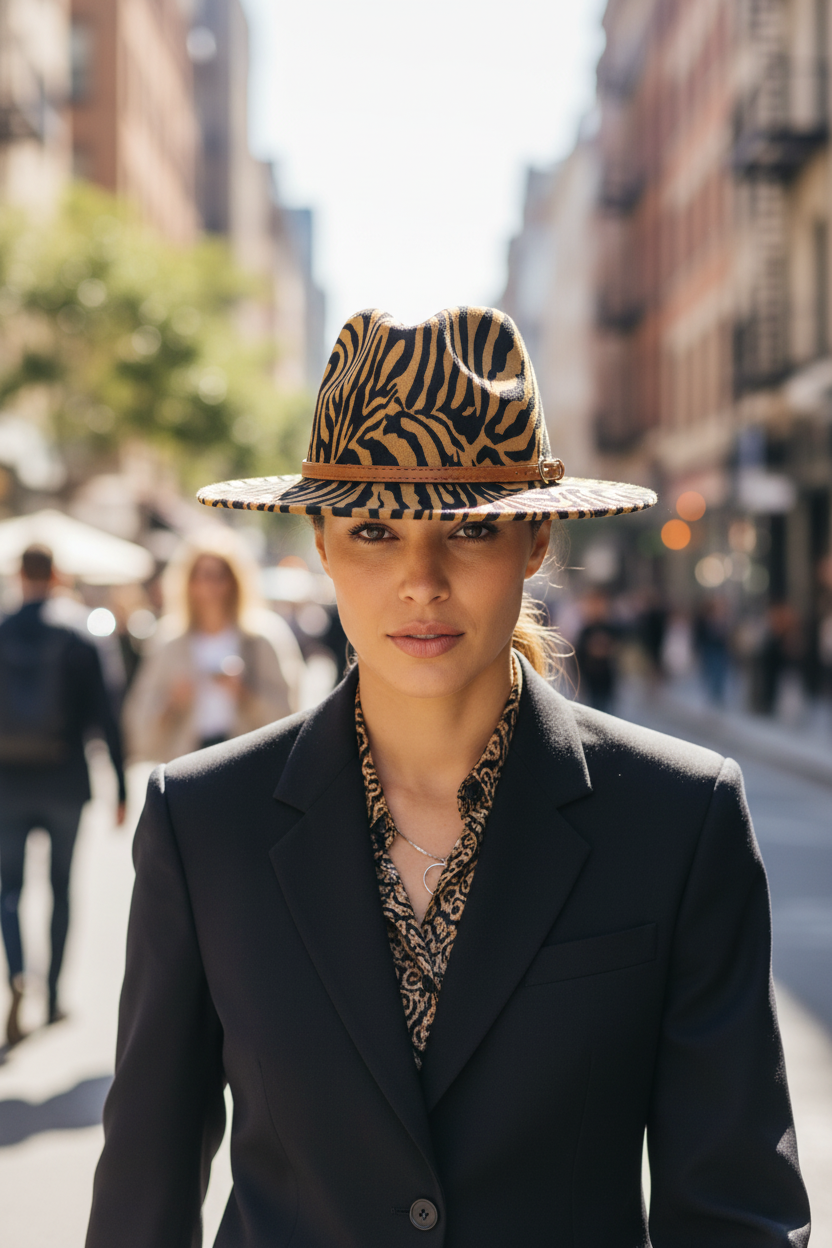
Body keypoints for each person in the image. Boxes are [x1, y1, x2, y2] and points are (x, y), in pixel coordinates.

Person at [88, 308, 809, 1247]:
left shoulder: (678, 819)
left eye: (467, 530)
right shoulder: (204, 823)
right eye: (377, 530)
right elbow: (144, 1189)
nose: (421, 580)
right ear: (321, 542)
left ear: (536, 542)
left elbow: (734, 1208)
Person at [0, 545, 126, 1046]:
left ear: (19, 574)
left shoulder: (2, 627)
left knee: (8, 889)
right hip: (66, 779)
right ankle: (52, 996)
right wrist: (118, 781)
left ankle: (17, 970)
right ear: (56, 574)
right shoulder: (80, 632)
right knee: (61, 887)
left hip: (7, 781)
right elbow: (106, 713)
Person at [122, 532, 303, 762]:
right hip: (187, 760)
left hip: (250, 760)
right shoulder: (169, 642)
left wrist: (245, 694)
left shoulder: (264, 638)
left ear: (235, 580)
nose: (210, 586)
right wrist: (172, 703)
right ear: (187, 582)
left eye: (219, 576)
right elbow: (138, 718)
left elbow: (292, 714)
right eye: (201, 575)